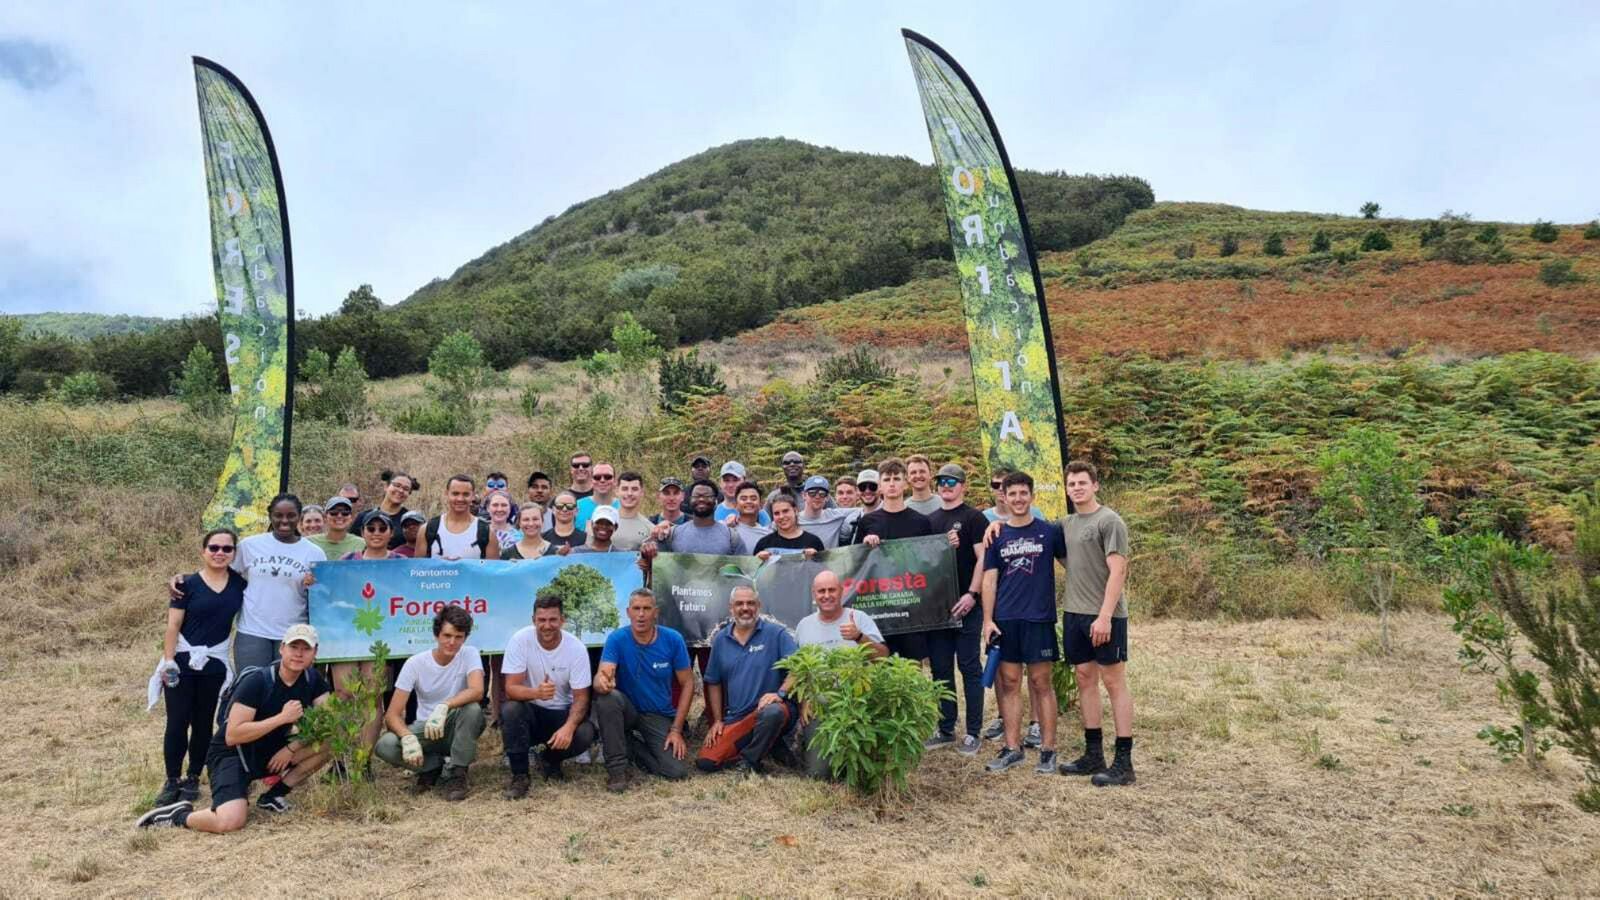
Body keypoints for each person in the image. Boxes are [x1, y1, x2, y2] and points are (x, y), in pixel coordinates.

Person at [137, 624, 331, 831]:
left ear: (315, 653)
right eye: (294, 647)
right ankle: (178, 816)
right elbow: (233, 735)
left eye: (306, 649)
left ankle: (273, 795)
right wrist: (281, 719)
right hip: (231, 755)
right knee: (230, 822)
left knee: (330, 742)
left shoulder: (313, 680)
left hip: (271, 750)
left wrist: (291, 748)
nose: (299, 654)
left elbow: (328, 722)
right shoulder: (258, 681)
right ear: (282, 648)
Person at [149, 527, 246, 806]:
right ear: (203, 551)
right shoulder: (186, 585)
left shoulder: (240, 584)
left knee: (203, 723)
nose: (220, 553)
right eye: (214, 548)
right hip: (181, 661)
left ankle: (193, 777)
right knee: (177, 721)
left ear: (234, 554)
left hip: (214, 663)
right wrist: (168, 662)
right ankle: (171, 780)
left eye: (227, 549)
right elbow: (173, 625)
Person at [1055, 460, 1136, 786]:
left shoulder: (1110, 521)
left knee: (1114, 683)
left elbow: (1118, 570)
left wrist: (1104, 616)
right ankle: (1093, 755)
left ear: (1095, 485)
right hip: (1074, 613)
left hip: (1105, 615)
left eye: (1082, 483)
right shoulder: (1066, 523)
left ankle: (1124, 763)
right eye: (1071, 484)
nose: (1076, 488)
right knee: (1085, 678)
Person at [981, 471, 1065, 774]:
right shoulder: (996, 535)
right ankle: (1012, 748)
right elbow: (989, 581)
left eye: (1023, 493)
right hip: (1006, 620)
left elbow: (1073, 564)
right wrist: (988, 620)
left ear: (1032, 496)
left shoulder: (1049, 532)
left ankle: (1048, 750)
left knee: (1042, 683)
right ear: (1003, 496)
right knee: (1009, 683)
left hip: (1039, 619)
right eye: (1011, 493)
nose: (1017, 499)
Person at [373, 607, 485, 800]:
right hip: (426, 728)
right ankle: (433, 766)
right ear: (436, 634)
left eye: (458, 637)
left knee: (473, 709)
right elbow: (392, 714)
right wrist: (407, 737)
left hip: (455, 723)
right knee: (385, 745)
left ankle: (458, 774)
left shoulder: (469, 653)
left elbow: (477, 690)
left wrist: (445, 705)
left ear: (465, 638)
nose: (452, 642)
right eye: (447, 635)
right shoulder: (415, 663)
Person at [591, 589, 694, 792]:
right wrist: (601, 682)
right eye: (636, 609)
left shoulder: (673, 639)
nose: (641, 614)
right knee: (607, 697)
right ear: (628, 612)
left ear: (656, 612)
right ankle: (617, 771)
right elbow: (601, 676)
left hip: (658, 713)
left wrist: (676, 730)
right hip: (626, 710)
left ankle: (629, 746)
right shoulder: (616, 639)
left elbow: (688, 683)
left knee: (676, 771)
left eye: (646, 609)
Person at [499, 590, 597, 798]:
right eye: (541, 620)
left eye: (553, 619)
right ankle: (520, 776)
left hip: (561, 714)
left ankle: (550, 760)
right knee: (511, 708)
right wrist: (536, 692)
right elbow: (510, 688)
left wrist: (569, 728)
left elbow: (581, 699)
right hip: (532, 712)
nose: (547, 625)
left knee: (585, 732)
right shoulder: (519, 640)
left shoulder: (576, 648)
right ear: (533, 620)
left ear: (563, 620)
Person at [924, 463, 992, 755]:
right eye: (941, 481)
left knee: (969, 667)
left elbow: (983, 559)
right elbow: (924, 561)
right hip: (939, 607)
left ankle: (973, 731)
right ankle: (946, 727)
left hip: (967, 605)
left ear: (963, 485)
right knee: (940, 668)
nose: (946, 486)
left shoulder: (974, 518)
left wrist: (972, 595)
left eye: (952, 481)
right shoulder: (931, 520)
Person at [794, 571, 887, 779]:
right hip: (819, 704)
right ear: (814, 594)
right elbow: (798, 672)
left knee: (862, 775)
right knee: (818, 775)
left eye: (831, 590)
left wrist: (859, 637)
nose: (826, 595)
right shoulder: (804, 625)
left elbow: (882, 658)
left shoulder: (859, 618)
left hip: (856, 702)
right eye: (821, 591)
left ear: (841, 591)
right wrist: (804, 701)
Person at [696, 585, 799, 774]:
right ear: (731, 608)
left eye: (750, 603)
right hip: (738, 717)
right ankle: (770, 744)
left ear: (758, 605)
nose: (745, 608)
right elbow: (714, 682)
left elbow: (798, 668)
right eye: (739, 603)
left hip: (772, 710)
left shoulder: (777, 634)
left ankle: (750, 762)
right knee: (707, 762)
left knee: (773, 713)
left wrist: (780, 693)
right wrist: (718, 720)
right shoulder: (720, 639)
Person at [222, 494, 325, 671]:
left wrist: (313, 586)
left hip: (293, 635)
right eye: (278, 515)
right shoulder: (250, 545)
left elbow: (323, 595)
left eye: (291, 515)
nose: (284, 521)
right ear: (270, 516)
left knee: (288, 692)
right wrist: (184, 580)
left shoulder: (314, 552)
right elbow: (222, 573)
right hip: (252, 632)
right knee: (250, 688)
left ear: (299, 517)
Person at [852, 458, 934, 660]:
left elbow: (930, 563)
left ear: (905, 483)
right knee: (880, 665)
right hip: (880, 608)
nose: (891, 483)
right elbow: (856, 563)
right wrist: (865, 545)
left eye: (896, 479)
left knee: (912, 668)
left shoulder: (921, 522)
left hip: (911, 607)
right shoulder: (867, 522)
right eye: (886, 479)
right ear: (880, 486)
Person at [645, 480, 748, 556]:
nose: (701, 499)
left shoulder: (732, 537)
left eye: (707, 496)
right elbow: (658, 569)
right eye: (696, 496)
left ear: (716, 501)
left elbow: (744, 571)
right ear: (690, 501)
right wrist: (647, 551)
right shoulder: (672, 534)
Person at [417, 475, 499, 560]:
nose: (460, 499)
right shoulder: (427, 529)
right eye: (455, 494)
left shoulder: (487, 532)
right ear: (446, 494)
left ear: (473, 496)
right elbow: (417, 570)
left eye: (466, 494)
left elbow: (492, 571)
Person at [754, 494, 824, 559]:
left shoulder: (814, 542)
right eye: (776, 513)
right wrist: (757, 560)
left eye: (785, 511)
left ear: (795, 511)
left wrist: (816, 557)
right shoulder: (764, 544)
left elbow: (824, 570)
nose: (781, 516)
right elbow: (752, 571)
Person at [797, 476, 858, 549]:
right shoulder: (794, 520)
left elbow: (863, 511)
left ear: (827, 497)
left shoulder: (835, 516)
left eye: (822, 494)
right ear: (803, 495)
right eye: (812, 493)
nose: (817, 497)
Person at [607, 471, 654, 550]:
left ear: (642, 492)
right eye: (625, 489)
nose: (629, 493)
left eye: (634, 489)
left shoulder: (650, 529)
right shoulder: (602, 523)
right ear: (616, 491)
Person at [715, 461, 769, 525]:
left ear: (744, 481)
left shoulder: (758, 512)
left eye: (735, 480)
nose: (730, 485)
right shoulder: (712, 512)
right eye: (726, 480)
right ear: (720, 483)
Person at [375, 469, 417, 548]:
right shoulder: (365, 517)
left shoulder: (411, 521)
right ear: (386, 486)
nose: (401, 490)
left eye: (406, 489)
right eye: (397, 485)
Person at [730, 480, 772, 552]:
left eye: (753, 499)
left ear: (761, 504)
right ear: (735, 504)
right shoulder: (727, 529)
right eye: (743, 499)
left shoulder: (767, 534)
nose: (749, 501)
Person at [575, 463, 619, 531]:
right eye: (597, 477)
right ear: (591, 480)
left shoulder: (623, 507)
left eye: (607, 477)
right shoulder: (576, 507)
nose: (602, 480)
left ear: (615, 481)